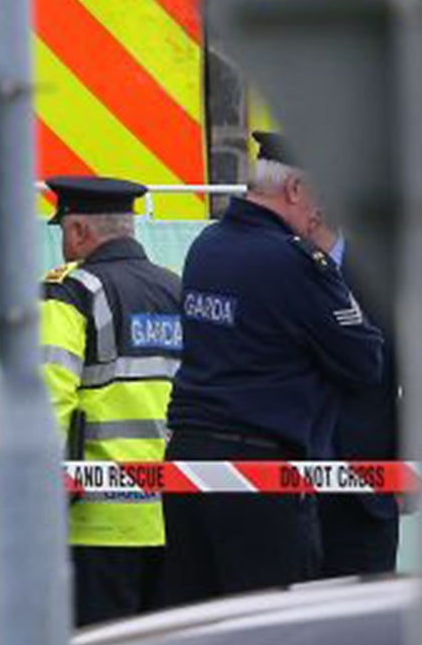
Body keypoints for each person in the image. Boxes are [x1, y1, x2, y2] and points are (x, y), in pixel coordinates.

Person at [161, 134, 385, 606]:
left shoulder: (207, 246)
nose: (319, 217)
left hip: (190, 464)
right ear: (297, 189)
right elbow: (364, 362)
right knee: (271, 629)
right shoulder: (293, 261)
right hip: (259, 477)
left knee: (198, 620)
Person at [38, 177, 182, 626]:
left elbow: (48, 399)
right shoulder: (173, 290)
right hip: (170, 511)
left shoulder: (71, 291)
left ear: (79, 231)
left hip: (97, 519)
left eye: (64, 231)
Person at [311, 229, 404, 577]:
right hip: (296, 483)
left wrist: (405, 467)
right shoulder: (286, 268)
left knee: (368, 606)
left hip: (369, 484)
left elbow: (416, 381)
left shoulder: (383, 276)